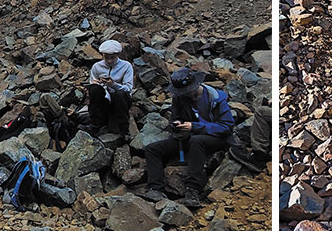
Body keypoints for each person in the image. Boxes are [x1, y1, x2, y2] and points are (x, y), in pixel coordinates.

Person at [142, 68, 235, 208]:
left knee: (196, 141)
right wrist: (176, 125)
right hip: (188, 136)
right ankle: (155, 189)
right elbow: (176, 118)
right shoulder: (180, 98)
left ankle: (193, 190)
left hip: (216, 138)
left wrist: (195, 126)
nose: (185, 94)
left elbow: (227, 127)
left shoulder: (215, 97)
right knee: (152, 149)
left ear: (196, 85)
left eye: (187, 91)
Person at [86, 39, 134, 135]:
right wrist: (97, 84)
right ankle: (95, 124)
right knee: (95, 89)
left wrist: (113, 85)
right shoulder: (97, 67)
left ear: (118, 55)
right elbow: (92, 82)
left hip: (121, 101)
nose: (109, 61)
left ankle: (124, 130)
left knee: (119, 94)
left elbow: (128, 88)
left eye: (112, 58)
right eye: (106, 57)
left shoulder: (126, 66)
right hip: (104, 100)